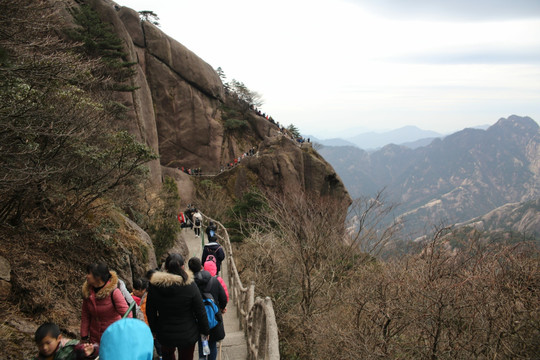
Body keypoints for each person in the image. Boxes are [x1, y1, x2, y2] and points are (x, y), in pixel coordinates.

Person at [146, 253, 209, 360]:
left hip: (165, 332)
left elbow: (150, 310)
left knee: (167, 355)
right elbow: (200, 310)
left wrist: (154, 329)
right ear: (183, 267)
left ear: (165, 267)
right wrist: (205, 331)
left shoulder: (155, 285)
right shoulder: (189, 285)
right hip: (187, 332)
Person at [81, 263, 131, 344]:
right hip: (94, 339)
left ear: (98, 277)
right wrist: (84, 336)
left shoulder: (114, 292)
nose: (87, 276)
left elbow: (127, 314)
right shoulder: (88, 293)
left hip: (113, 338)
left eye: (89, 273)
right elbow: (85, 315)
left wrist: (124, 335)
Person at [188, 257, 227, 360]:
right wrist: (222, 308)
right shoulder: (214, 280)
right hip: (213, 318)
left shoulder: (189, 285)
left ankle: (202, 357)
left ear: (190, 270)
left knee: (202, 343)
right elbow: (223, 298)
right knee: (212, 343)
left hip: (198, 320)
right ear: (201, 267)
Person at [33, 322, 98, 360]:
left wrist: (91, 352)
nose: (44, 347)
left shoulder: (69, 347)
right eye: (40, 345)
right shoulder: (39, 357)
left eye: (48, 343)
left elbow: (81, 350)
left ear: (59, 338)